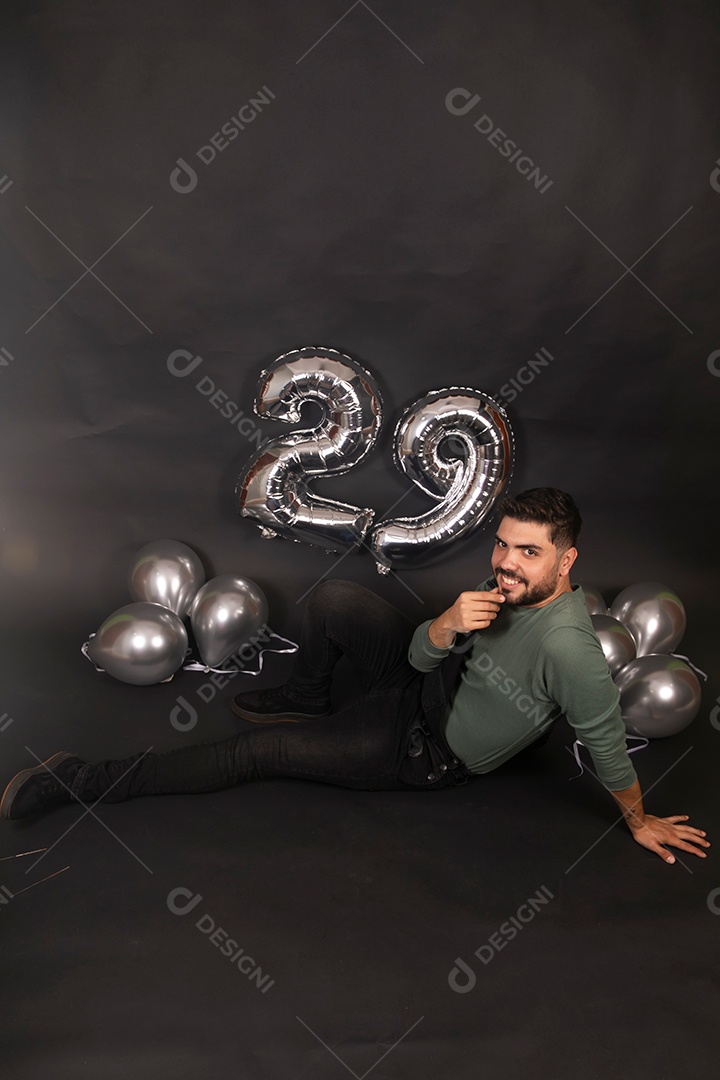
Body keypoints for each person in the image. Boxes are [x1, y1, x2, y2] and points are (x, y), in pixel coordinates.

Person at [1, 488, 709, 866]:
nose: (505, 562)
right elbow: (421, 658)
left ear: (566, 561)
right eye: (502, 544)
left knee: (250, 755)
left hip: (421, 749)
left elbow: (606, 743)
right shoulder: (505, 591)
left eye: (528, 552)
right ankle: (308, 696)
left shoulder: (572, 649)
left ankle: (76, 780)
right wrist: (445, 626)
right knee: (337, 597)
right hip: (426, 687)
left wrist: (639, 819)